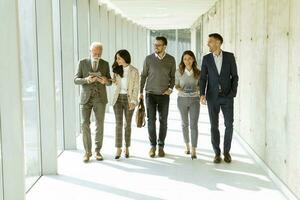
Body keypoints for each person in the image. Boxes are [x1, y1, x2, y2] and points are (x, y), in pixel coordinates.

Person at [200, 33, 239, 164]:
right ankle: (217, 153)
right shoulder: (206, 59)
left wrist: (233, 93)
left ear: (218, 42)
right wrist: (202, 93)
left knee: (229, 125)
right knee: (214, 125)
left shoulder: (229, 57)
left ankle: (226, 152)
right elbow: (203, 78)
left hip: (227, 97)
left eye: (210, 41)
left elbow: (235, 76)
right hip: (212, 97)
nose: (208, 44)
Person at [74, 42, 112, 163]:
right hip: (85, 98)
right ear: (90, 51)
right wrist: (86, 79)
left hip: (100, 98)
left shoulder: (105, 64)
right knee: (84, 124)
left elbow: (110, 81)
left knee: (99, 125)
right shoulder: (82, 62)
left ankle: (97, 151)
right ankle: (87, 152)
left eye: (99, 54)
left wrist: (105, 81)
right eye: (95, 53)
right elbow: (76, 80)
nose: (97, 55)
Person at [140, 36, 176, 158]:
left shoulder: (171, 60)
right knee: (151, 121)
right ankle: (152, 146)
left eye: (158, 45)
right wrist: (140, 92)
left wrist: (170, 89)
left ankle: (161, 146)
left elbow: (173, 77)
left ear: (165, 46)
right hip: (150, 94)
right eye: (155, 45)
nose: (156, 47)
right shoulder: (148, 59)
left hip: (164, 95)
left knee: (163, 121)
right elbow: (143, 75)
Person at [111, 49, 140, 159]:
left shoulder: (134, 71)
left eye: (119, 58)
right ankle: (118, 148)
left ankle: (126, 147)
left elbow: (136, 87)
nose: (117, 60)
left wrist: (133, 101)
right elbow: (114, 83)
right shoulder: (116, 70)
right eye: (116, 58)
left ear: (125, 58)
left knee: (127, 124)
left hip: (129, 100)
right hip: (118, 99)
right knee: (118, 124)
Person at [175, 50, 201, 160]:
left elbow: (200, 86)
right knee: (184, 124)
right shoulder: (178, 72)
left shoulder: (198, 72)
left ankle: (194, 148)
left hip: (195, 100)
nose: (187, 61)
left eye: (190, 58)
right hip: (182, 100)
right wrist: (181, 89)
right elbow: (176, 85)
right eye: (185, 59)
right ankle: (187, 145)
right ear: (182, 60)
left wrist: (197, 89)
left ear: (193, 59)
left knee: (193, 124)